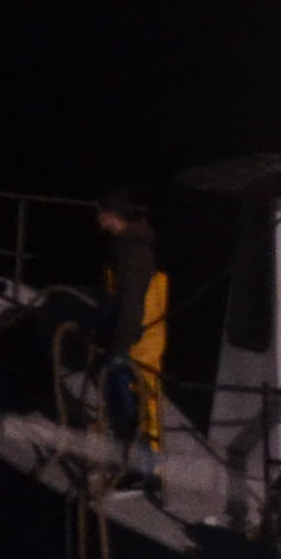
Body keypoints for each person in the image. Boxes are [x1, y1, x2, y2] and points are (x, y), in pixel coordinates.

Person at [91, 188, 165, 455]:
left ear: (111, 216)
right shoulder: (123, 246)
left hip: (138, 339)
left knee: (141, 403)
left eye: (99, 214)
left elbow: (132, 303)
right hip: (130, 334)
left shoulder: (133, 253)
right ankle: (128, 454)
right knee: (122, 399)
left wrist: (120, 348)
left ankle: (148, 473)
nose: (97, 220)